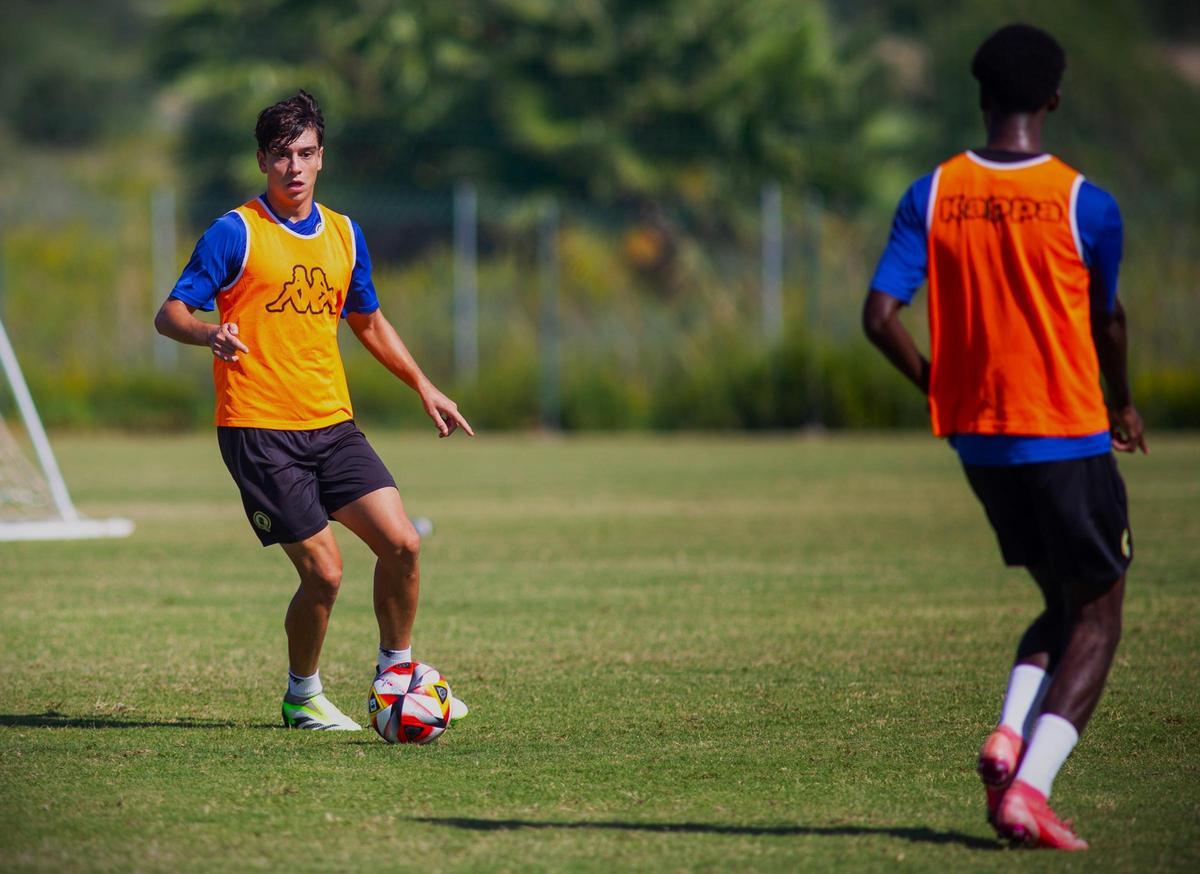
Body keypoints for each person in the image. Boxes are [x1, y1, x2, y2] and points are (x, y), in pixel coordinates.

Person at [862, 24, 1145, 850]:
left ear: (981, 97)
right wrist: (1123, 404)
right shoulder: (1084, 202)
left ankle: (1009, 736)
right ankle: (1031, 786)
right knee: (1099, 614)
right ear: (1053, 99)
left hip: (980, 442)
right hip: (1065, 433)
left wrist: (937, 382)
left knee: (1060, 603)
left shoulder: (933, 192)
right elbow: (1109, 318)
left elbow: (880, 317)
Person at [155, 91, 472, 731]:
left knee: (403, 543)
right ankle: (303, 696)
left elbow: (369, 322)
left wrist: (423, 385)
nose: (293, 167)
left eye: (304, 154)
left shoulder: (344, 233)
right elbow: (171, 314)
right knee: (326, 573)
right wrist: (208, 334)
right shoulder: (235, 232)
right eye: (280, 156)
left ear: (321, 158)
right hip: (258, 429)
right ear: (262, 160)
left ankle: (397, 677)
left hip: (331, 424)